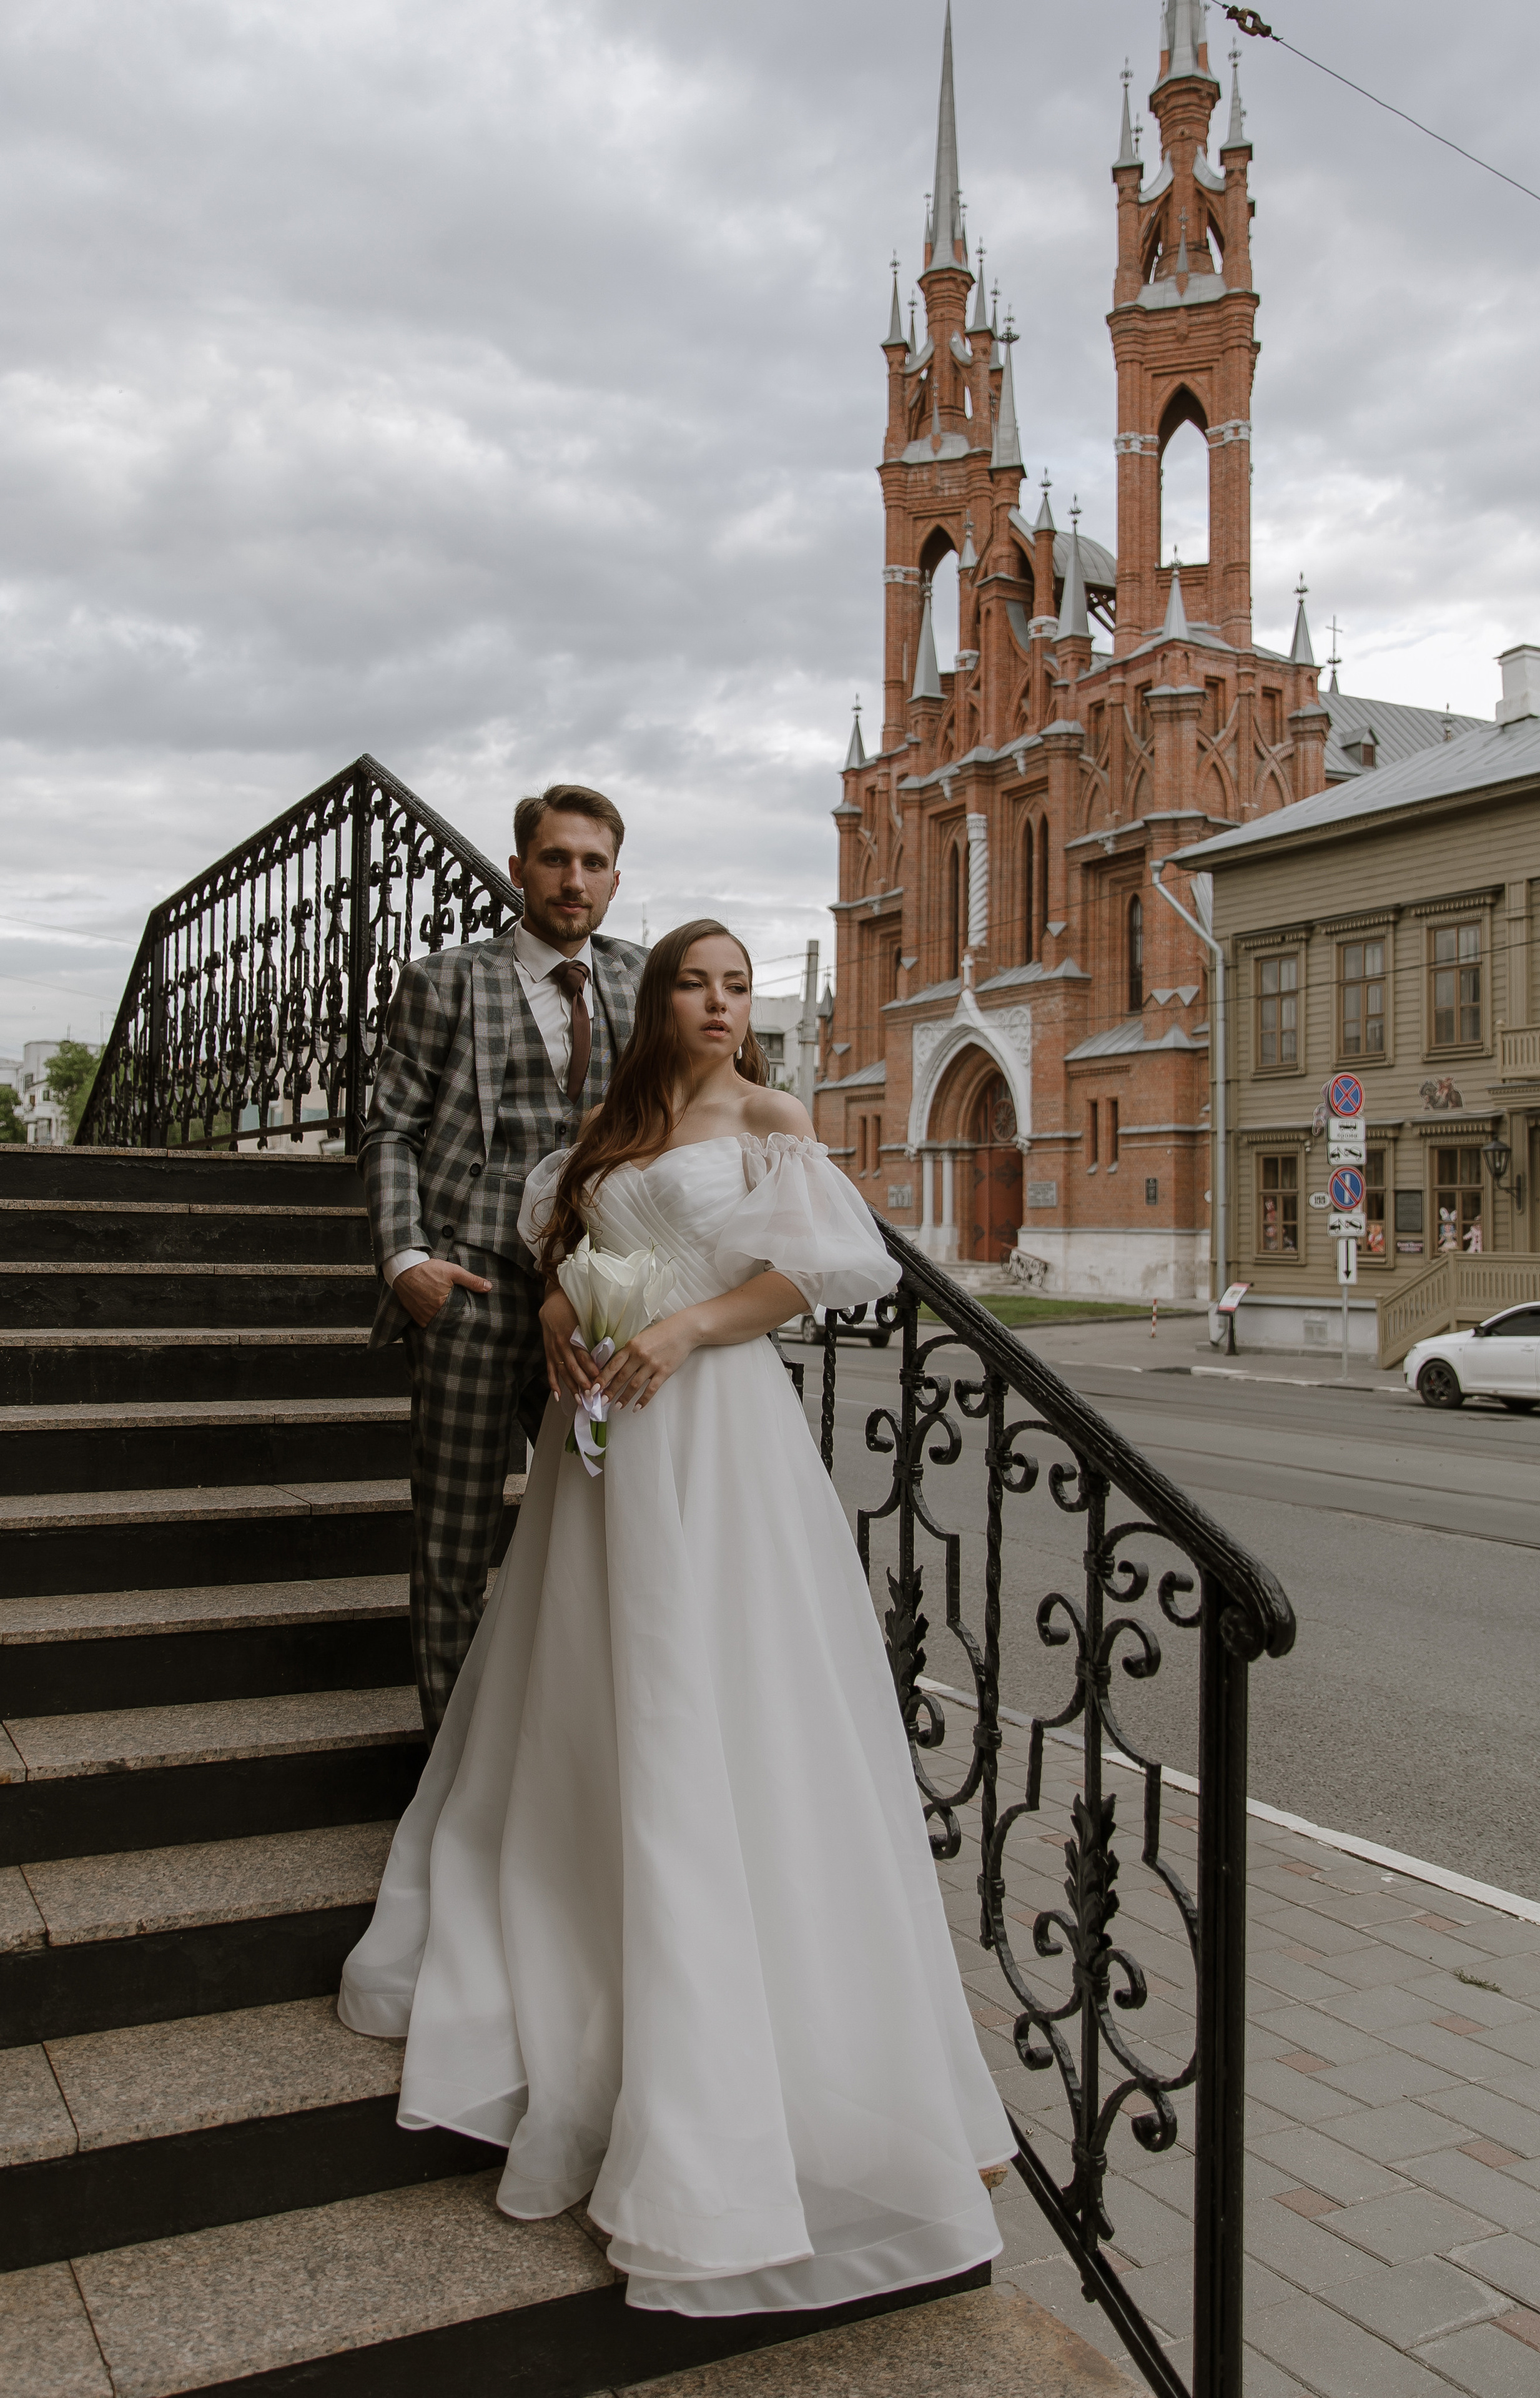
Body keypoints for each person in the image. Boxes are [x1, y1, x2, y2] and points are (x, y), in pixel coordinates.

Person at [340, 919, 1012, 2317]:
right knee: (599, 1693)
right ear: (655, 1004)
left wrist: (681, 1329)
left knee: (725, 1692)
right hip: (602, 1448)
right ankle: (591, 1916)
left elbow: (811, 1274)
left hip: (714, 1434)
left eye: (739, 985)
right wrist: (556, 1325)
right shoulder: (597, 1131)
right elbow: (553, 1255)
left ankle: (751, 2015)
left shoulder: (769, 1112)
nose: (721, 1004)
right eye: (697, 984)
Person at [360, 784, 646, 1737]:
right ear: (518, 868)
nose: (575, 879)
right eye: (556, 859)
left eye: (593, 863)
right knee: (456, 1542)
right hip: (472, 1289)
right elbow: (392, 1130)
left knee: (614, 1528)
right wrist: (406, 1260)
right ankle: (450, 1769)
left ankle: (573, 1766)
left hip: (596, 1308)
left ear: (614, 877)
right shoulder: (446, 982)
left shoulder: (644, 983)